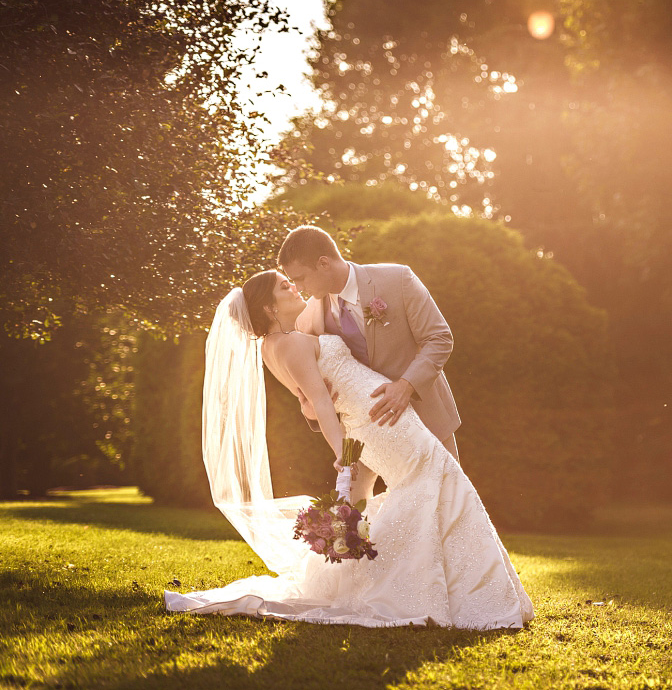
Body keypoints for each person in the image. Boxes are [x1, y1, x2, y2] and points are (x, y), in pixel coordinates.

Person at [163, 271, 534, 630]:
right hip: (378, 422)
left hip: (378, 418)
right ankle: (437, 591)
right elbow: (320, 403)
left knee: (432, 482)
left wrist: (321, 414)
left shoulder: (277, 345)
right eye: (283, 286)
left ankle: (441, 587)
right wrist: (343, 454)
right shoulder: (288, 343)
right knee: (434, 477)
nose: (293, 287)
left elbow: (307, 399)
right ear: (267, 309)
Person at [278, 225, 462, 506]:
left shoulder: (397, 279)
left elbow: (439, 338)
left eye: (300, 278)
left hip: (423, 416)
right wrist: (310, 407)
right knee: (348, 512)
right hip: (360, 429)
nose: (298, 288)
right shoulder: (308, 319)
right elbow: (311, 391)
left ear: (324, 263)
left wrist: (406, 386)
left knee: (449, 504)